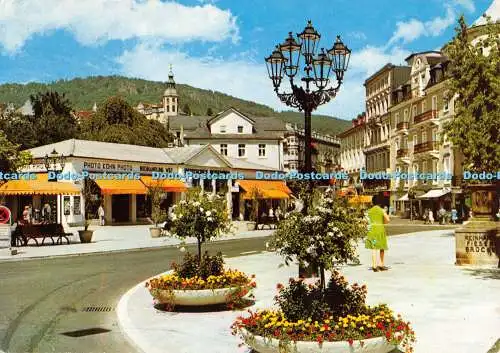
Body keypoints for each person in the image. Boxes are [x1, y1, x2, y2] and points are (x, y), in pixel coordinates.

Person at [365, 195, 390, 272]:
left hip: (372, 231)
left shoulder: (369, 211)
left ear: (373, 202)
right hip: (380, 231)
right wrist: (383, 222)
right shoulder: (382, 210)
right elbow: (388, 220)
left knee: (374, 248)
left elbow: (366, 221)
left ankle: (374, 266)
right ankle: (381, 264)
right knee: (382, 247)